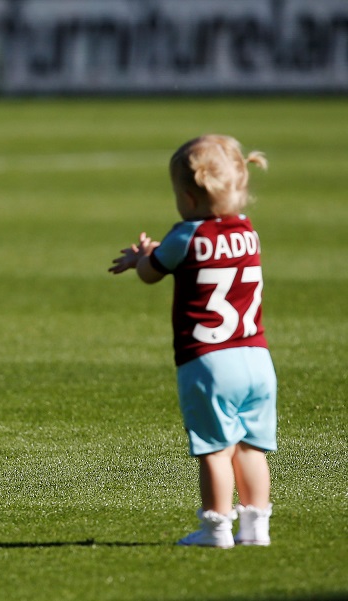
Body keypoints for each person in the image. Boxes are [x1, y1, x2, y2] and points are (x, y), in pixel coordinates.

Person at [109, 134, 276, 548]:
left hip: (209, 359)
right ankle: (257, 528)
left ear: (187, 195)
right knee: (252, 448)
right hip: (256, 356)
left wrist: (141, 258)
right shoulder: (248, 232)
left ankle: (216, 528)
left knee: (216, 450)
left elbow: (152, 272)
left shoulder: (186, 234)